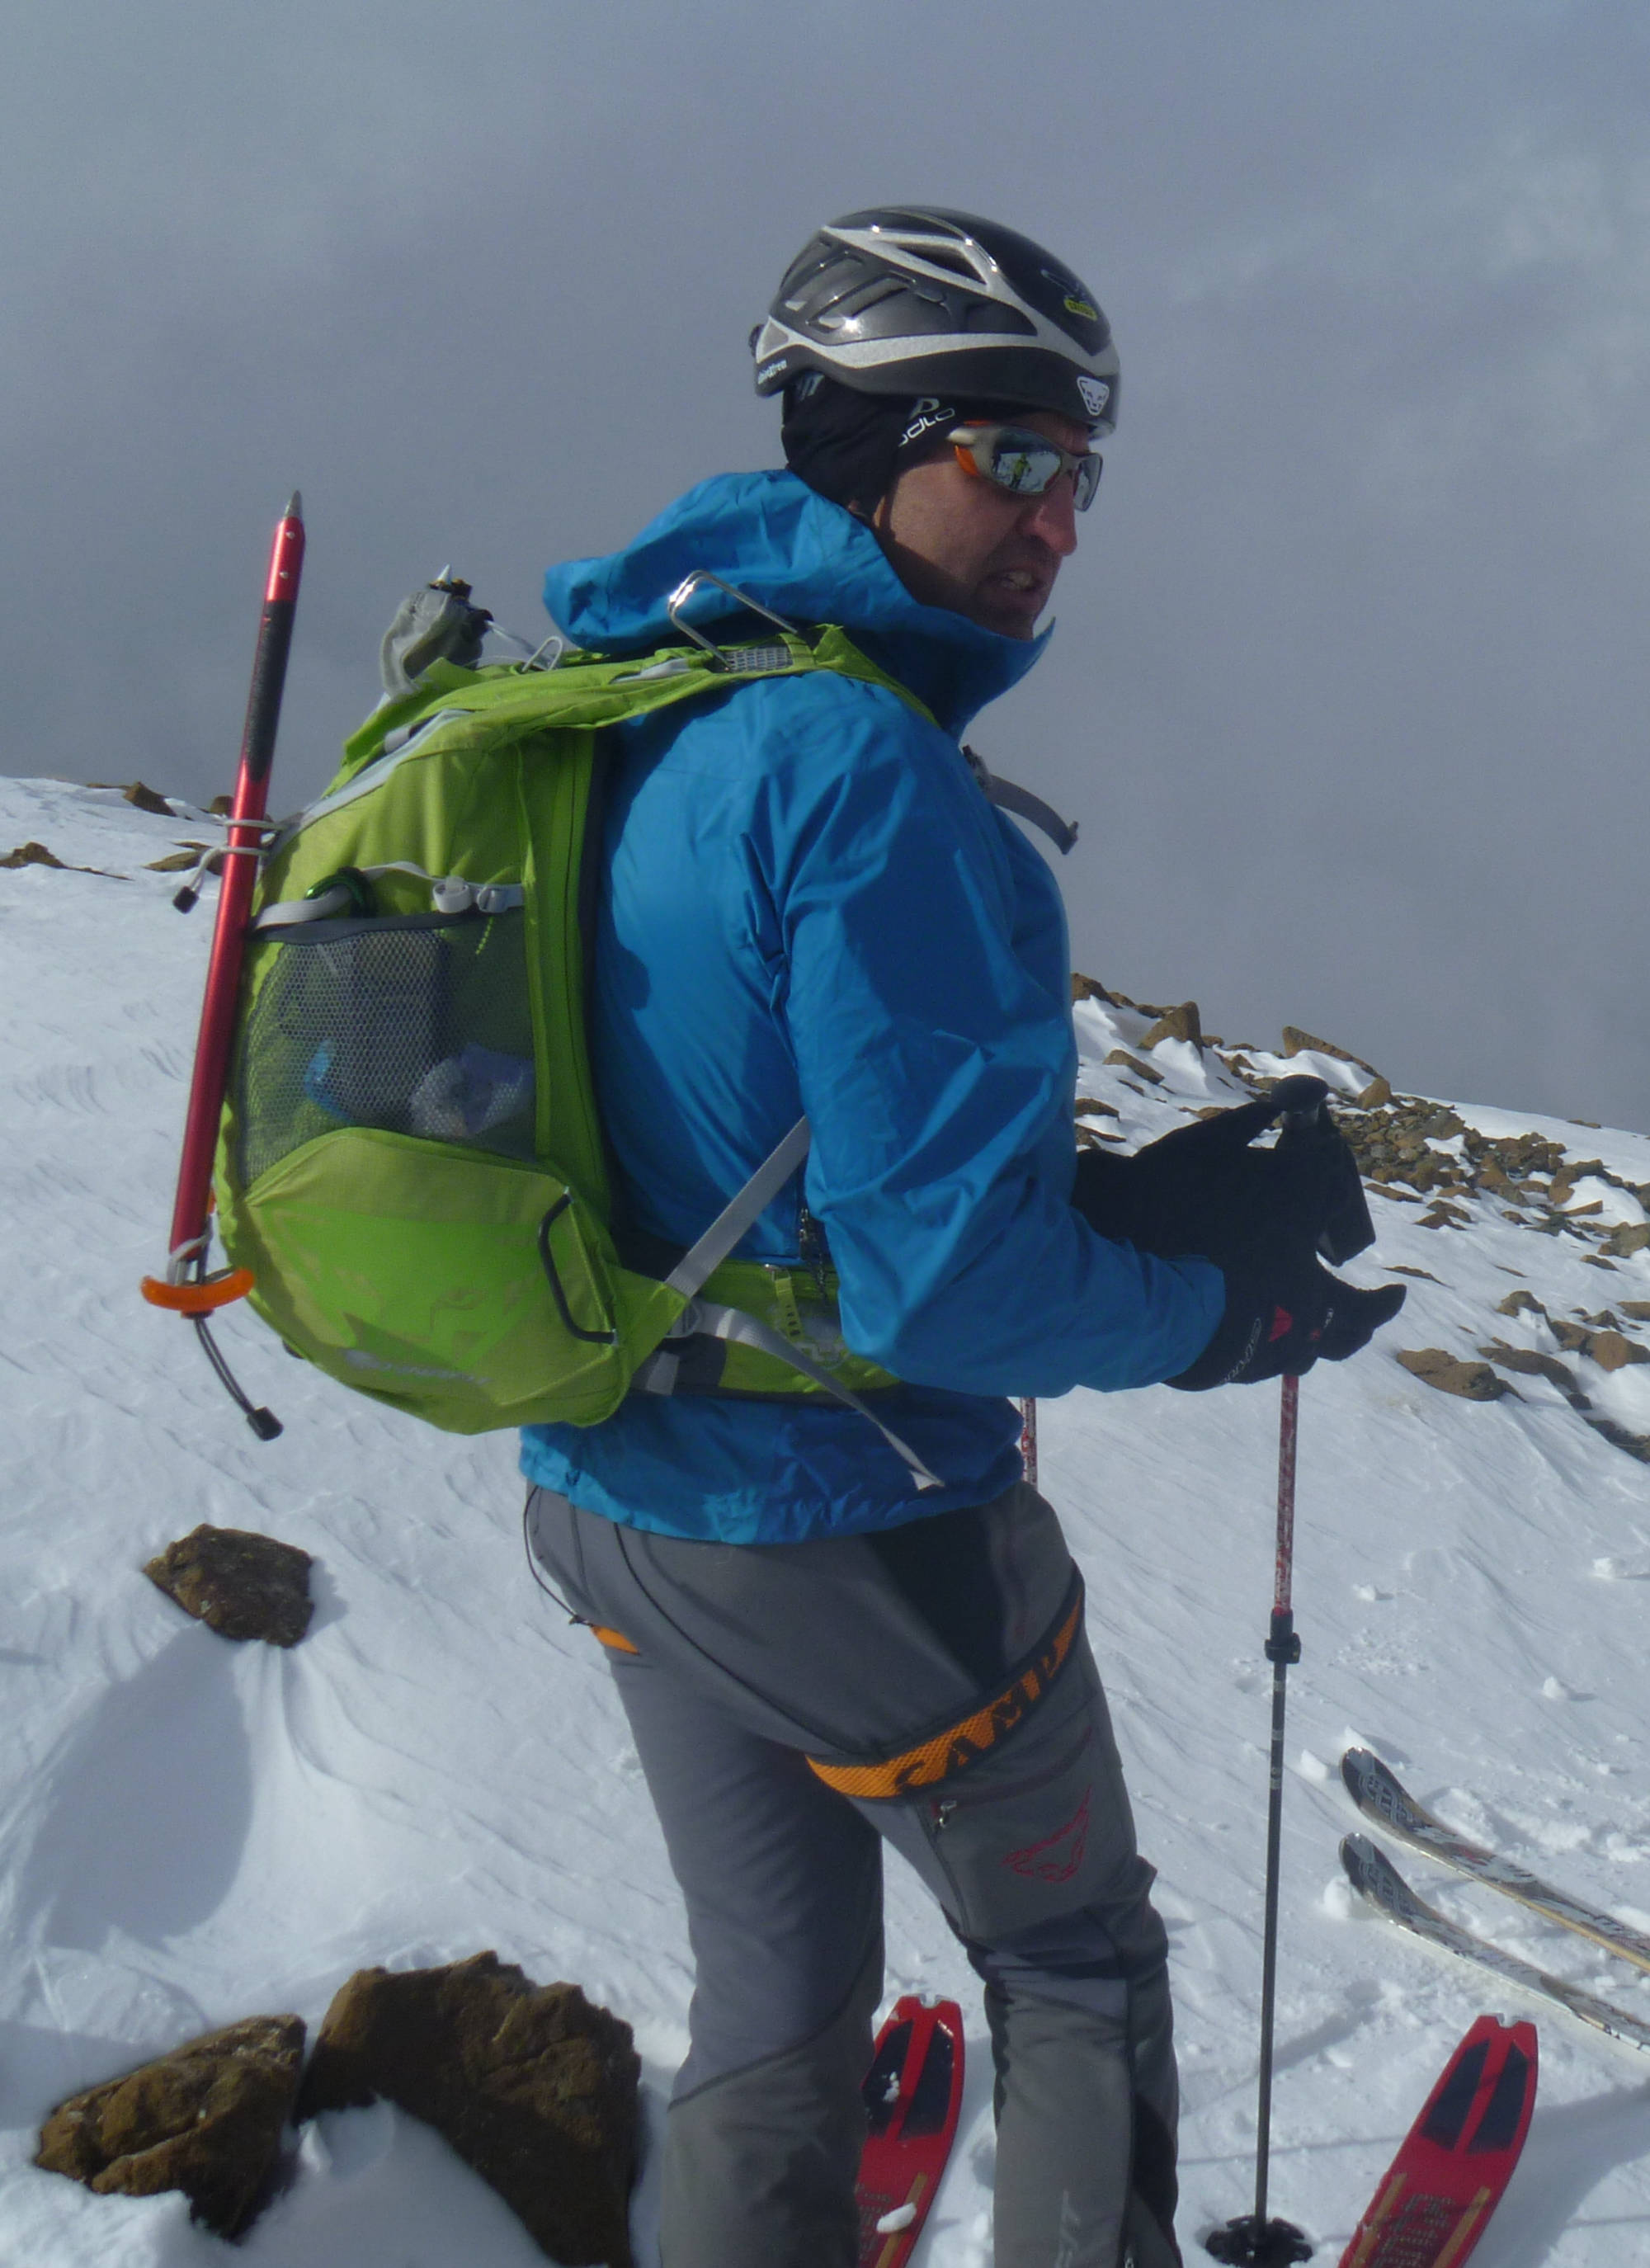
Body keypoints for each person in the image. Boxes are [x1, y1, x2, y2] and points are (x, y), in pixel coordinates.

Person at [521, 207, 1402, 2268]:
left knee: (773, 1998)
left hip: (613, 1486)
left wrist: (1083, 1197)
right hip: (856, 1520)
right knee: (1075, 1958)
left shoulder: (650, 703)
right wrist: (1217, 1313)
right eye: (1010, 458)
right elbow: (939, 1288)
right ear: (864, 443)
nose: (1058, 522)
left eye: (1079, 472)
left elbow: (735, 1122)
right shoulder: (865, 769)